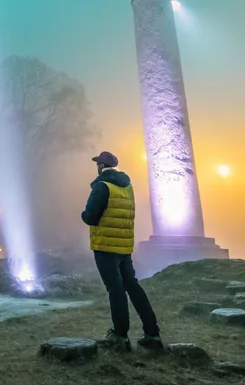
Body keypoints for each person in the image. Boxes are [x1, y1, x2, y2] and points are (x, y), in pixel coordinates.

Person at [82, 150, 162, 350]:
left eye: (98, 164)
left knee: (115, 290)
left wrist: (83, 214)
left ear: (101, 166)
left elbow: (90, 217)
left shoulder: (102, 186)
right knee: (132, 286)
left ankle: (120, 335)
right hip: (124, 246)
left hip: (105, 246)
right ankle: (152, 333)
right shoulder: (127, 186)